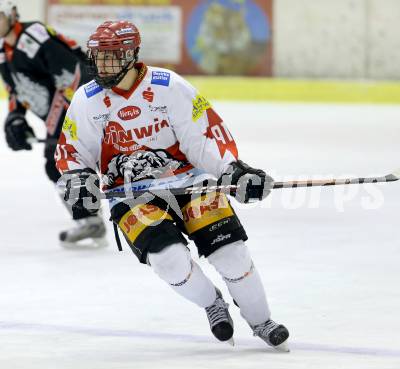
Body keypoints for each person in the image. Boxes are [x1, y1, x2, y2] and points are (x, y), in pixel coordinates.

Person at [56, 20, 290, 351]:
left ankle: (262, 320)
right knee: (168, 259)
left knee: (232, 254)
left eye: (111, 56)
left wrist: (232, 170)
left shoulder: (168, 86)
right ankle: (212, 304)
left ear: (132, 55)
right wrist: (78, 176)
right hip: (131, 196)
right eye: (98, 56)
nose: (102, 64)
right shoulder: (87, 99)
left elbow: (203, 139)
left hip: (190, 181)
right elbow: (72, 152)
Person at [0, 0, 106, 246]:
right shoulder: (3, 51)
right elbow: (16, 90)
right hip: (62, 116)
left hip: (80, 109)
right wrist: (16, 118)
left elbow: (75, 76)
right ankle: (90, 219)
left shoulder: (33, 36)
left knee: (63, 162)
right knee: (56, 165)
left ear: (12, 15)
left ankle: (94, 219)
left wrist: (65, 124)